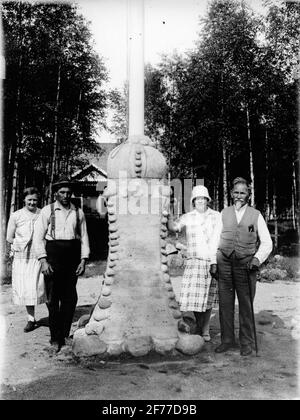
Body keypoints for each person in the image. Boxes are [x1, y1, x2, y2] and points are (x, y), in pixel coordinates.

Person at [215, 177, 273, 356]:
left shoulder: (255, 215)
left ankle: (246, 342)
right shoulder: (223, 213)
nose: (239, 195)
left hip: (245, 265)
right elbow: (214, 240)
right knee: (225, 303)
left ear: (248, 195)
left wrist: (257, 259)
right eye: (236, 192)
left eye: (243, 192)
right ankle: (227, 340)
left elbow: (267, 242)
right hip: (224, 262)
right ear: (232, 194)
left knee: (246, 304)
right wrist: (212, 261)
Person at [34, 178, 90, 352]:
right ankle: (54, 338)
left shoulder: (78, 212)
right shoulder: (47, 211)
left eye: (68, 192)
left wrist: (83, 259)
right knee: (53, 299)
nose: (66, 196)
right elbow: (38, 238)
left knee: (70, 298)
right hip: (53, 256)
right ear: (56, 193)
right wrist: (43, 260)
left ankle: (64, 336)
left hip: (71, 256)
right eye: (62, 192)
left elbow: (84, 237)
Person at [168, 185, 221, 341]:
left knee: (208, 299)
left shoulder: (216, 216)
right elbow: (174, 227)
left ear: (207, 200)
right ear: (193, 201)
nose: (200, 201)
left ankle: (205, 330)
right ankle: (199, 326)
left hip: (211, 261)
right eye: (197, 198)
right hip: (194, 261)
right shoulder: (188, 217)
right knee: (196, 300)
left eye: (203, 198)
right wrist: (168, 211)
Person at [6, 187, 46, 333]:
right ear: (24, 200)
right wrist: (22, 241)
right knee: (27, 288)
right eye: (29, 199)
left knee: (42, 286)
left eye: (35, 199)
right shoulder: (16, 215)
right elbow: (9, 237)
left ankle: (54, 317)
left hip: (39, 256)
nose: (32, 202)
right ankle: (31, 319)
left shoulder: (43, 214)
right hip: (23, 258)